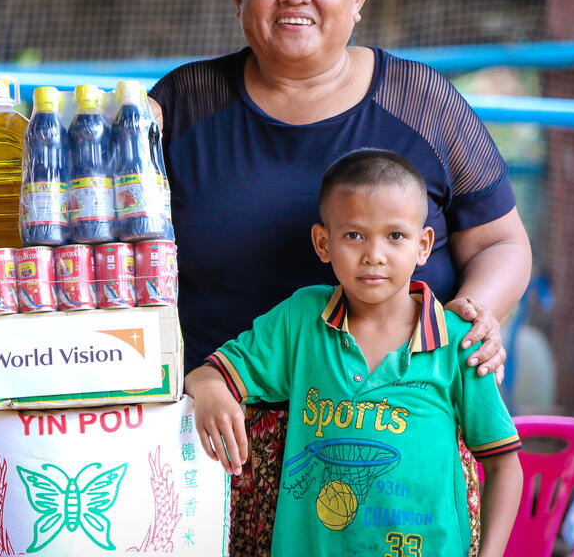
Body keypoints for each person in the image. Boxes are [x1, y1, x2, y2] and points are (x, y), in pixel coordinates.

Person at [148, 0, 532, 555]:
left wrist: (477, 313)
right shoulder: (183, 103)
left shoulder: (422, 102)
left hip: (408, 459)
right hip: (220, 440)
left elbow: (502, 241)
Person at [187, 148, 524, 557]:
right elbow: (212, 374)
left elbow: (505, 464)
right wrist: (206, 388)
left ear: (423, 246)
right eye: (354, 235)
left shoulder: (460, 342)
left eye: (395, 236)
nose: (374, 254)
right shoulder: (301, 319)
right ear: (323, 243)